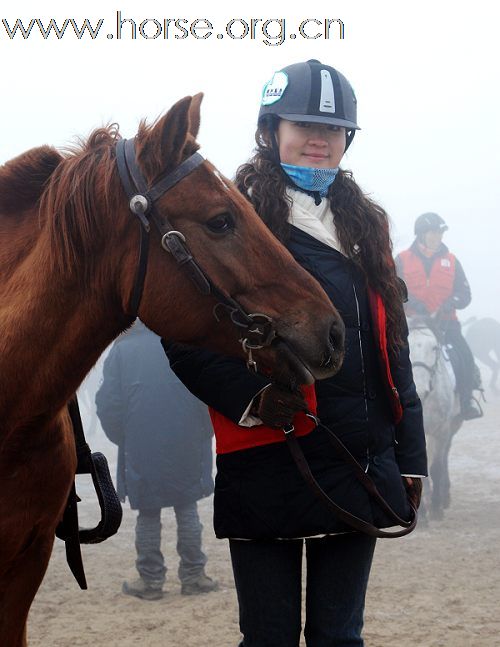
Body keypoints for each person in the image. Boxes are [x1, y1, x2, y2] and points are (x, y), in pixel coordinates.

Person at [163, 59, 427, 646]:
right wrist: (253, 399)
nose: (318, 139)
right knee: (269, 639)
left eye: (332, 130)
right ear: (270, 130)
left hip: (359, 455)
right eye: (303, 125)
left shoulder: (366, 225)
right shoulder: (233, 218)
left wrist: (409, 456)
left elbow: (393, 343)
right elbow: (183, 336)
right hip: (271, 456)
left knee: (340, 638)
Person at [95, 319, 218, 600]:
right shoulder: (184, 340)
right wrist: (201, 433)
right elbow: (205, 393)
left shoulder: (122, 350)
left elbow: (107, 404)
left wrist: (125, 437)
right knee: (187, 506)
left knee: (148, 512)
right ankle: (193, 576)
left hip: (141, 442)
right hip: (186, 439)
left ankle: (150, 582)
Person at [396, 212, 482, 420]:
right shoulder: (402, 260)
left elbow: (465, 294)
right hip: (411, 325)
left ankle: (465, 401)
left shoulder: (452, 261)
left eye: (440, 233)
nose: (438, 237)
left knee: (465, 356)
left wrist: (451, 303)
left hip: (446, 324)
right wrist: (412, 302)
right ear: (421, 235)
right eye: (434, 233)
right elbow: (392, 288)